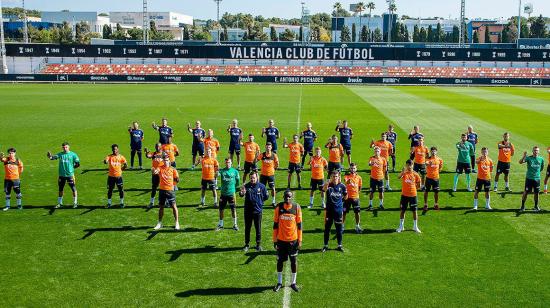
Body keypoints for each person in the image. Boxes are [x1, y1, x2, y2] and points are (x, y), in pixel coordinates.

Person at [272, 190, 302, 293]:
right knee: (280, 261)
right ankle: (279, 282)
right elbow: (275, 225)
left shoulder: (296, 207)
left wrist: (300, 240)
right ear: (283, 197)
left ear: (292, 197)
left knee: (293, 261)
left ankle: (293, 283)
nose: (287, 198)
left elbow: (299, 225)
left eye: (289, 197)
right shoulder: (278, 207)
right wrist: (274, 240)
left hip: (293, 241)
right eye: (286, 197)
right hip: (281, 240)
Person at [240, 171, 269, 252]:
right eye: (251, 178)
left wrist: (260, 202)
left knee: (258, 228)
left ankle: (258, 244)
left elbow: (266, 196)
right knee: (247, 228)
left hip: (257, 211)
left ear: (257, 178)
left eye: (254, 178)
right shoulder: (246, 186)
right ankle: (246, 244)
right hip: (248, 211)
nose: (252, 179)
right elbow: (241, 194)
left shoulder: (262, 186)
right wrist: (242, 193)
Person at [47, 142, 80, 208]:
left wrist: (72, 168)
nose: (65, 148)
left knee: (73, 188)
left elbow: (78, 164)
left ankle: (75, 203)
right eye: (63, 147)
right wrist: (50, 156)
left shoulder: (73, 155)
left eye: (66, 147)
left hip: (70, 175)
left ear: (69, 147)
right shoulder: (60, 154)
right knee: (60, 189)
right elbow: (53, 157)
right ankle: (60, 203)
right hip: (61, 175)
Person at [322, 171, 347, 253]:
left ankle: (339, 245)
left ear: (339, 177)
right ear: (331, 177)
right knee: (327, 229)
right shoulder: (328, 185)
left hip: (338, 211)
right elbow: (323, 190)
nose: (334, 178)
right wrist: (326, 183)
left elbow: (346, 196)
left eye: (336, 176)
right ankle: (325, 245)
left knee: (339, 230)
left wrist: (340, 202)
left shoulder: (342, 186)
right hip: (329, 211)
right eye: (333, 176)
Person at [153, 155, 180, 230]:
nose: (166, 162)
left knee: (174, 207)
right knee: (161, 207)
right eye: (164, 160)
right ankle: (159, 223)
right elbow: (156, 171)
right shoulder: (160, 168)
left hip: (170, 191)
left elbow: (177, 180)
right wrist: (154, 171)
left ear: (169, 161)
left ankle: (177, 222)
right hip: (162, 190)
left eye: (167, 160)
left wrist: (176, 180)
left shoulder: (173, 169)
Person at [396, 160, 422, 233]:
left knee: (414, 211)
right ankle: (401, 226)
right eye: (408, 165)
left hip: (413, 195)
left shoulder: (416, 174)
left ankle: (415, 226)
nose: (409, 166)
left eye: (411, 165)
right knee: (402, 210)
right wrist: (402, 172)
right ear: (406, 165)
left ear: (413, 165)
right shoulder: (404, 173)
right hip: (404, 195)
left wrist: (413, 189)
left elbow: (419, 185)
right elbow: (398, 177)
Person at [217, 158, 240, 231]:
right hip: (223, 194)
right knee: (221, 209)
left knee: (233, 209)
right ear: (225, 163)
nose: (228, 164)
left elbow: (238, 181)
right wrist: (216, 173)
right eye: (226, 162)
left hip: (231, 194)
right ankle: (221, 224)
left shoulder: (235, 171)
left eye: (229, 162)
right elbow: (216, 175)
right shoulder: (222, 171)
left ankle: (235, 224)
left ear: (231, 163)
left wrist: (234, 188)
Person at [519, 147, 545, 212]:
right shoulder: (529, 158)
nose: (536, 152)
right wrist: (524, 156)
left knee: (536, 193)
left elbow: (541, 168)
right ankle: (522, 206)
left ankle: (536, 206)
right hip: (529, 178)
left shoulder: (541, 159)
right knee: (526, 192)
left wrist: (537, 174)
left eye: (537, 150)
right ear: (532, 151)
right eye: (534, 150)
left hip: (537, 179)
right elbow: (520, 162)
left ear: (538, 151)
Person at [103, 144, 127, 208]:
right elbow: (106, 160)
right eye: (113, 149)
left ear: (118, 149)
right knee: (110, 190)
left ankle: (121, 203)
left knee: (121, 190)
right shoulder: (109, 156)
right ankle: (109, 203)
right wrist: (105, 161)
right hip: (111, 177)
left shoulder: (121, 157)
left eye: (115, 149)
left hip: (118, 176)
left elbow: (125, 165)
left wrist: (121, 170)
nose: (114, 150)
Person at [344, 163, 363, 233]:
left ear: (356, 169)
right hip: (347, 198)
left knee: (357, 213)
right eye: (351, 168)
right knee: (344, 212)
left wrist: (357, 193)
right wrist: (349, 181)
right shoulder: (347, 176)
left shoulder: (359, 177)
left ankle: (357, 226)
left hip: (355, 198)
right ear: (349, 169)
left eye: (354, 168)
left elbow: (360, 187)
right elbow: (346, 182)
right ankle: (342, 226)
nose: (353, 169)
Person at [423, 147, 443, 214]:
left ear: (436, 152)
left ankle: (436, 204)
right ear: (430, 152)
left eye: (434, 151)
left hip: (436, 178)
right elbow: (426, 163)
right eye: (432, 151)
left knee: (436, 192)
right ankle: (425, 204)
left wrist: (438, 171)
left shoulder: (439, 159)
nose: (433, 152)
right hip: (428, 178)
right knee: (426, 191)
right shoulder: (428, 159)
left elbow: (440, 167)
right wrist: (428, 163)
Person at [144, 143, 163, 208]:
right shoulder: (153, 154)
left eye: (158, 146)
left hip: (162, 174)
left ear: (161, 147)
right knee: (154, 188)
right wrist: (146, 153)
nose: (157, 148)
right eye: (156, 146)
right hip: (155, 174)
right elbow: (148, 156)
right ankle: (152, 202)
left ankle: (164, 202)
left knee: (162, 188)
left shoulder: (164, 154)